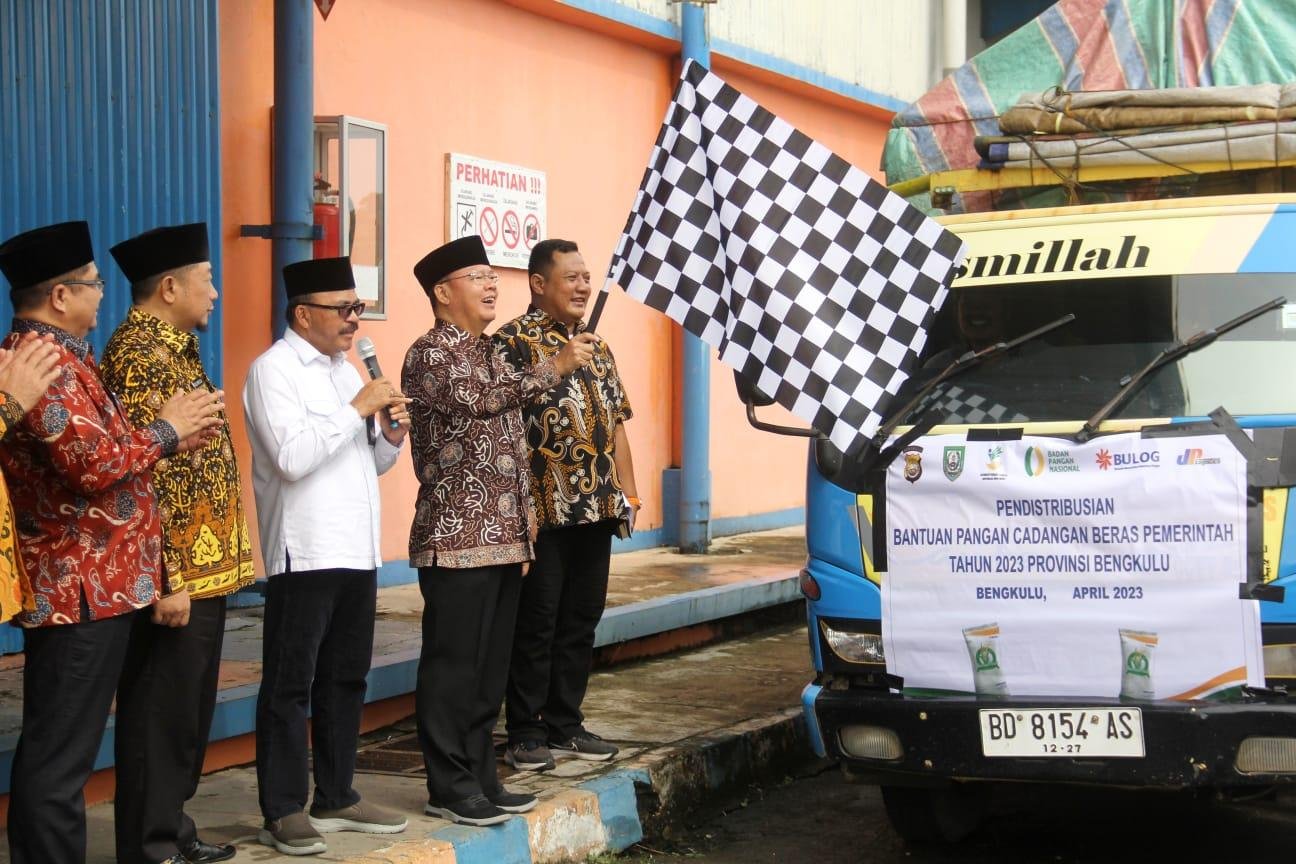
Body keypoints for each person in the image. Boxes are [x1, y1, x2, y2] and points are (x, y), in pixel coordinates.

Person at [0, 221, 224, 864]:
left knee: (67, 748)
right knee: (59, 755)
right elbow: (92, 467)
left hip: (105, 584)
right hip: (78, 589)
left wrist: (167, 437)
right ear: (61, 296)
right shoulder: (40, 363)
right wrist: (166, 431)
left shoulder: (65, 356)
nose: (104, 295)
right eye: (95, 285)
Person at [402, 235, 596, 826]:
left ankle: (481, 776)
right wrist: (555, 365)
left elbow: (513, 443)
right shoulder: (432, 353)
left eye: (493, 276)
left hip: (506, 537)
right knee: (453, 667)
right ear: (443, 292)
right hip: (456, 540)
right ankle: (448, 785)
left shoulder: (490, 350)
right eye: (477, 277)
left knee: (489, 672)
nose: (491, 285)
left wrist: (526, 530)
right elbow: (482, 402)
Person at [242, 256, 411, 856]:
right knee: (290, 684)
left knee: (346, 678)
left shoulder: (347, 372)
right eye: (343, 309)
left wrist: (389, 435)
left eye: (358, 307)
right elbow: (291, 457)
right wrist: (358, 409)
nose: (353, 319)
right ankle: (283, 808)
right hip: (305, 551)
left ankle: (337, 794)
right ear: (303, 313)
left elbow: (367, 461)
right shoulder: (273, 371)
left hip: (357, 549)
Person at [100, 223, 256, 864]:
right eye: (206, 280)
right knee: (160, 713)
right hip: (178, 576)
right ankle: (150, 843)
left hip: (207, 568)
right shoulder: (137, 356)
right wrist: (167, 577)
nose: (216, 293)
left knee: (186, 711)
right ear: (169, 287)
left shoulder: (175, 349)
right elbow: (145, 476)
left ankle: (173, 827)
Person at [495, 239, 638, 772]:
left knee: (582, 617)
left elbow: (616, 420)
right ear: (538, 284)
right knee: (538, 620)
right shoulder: (510, 342)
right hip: (543, 509)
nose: (583, 286)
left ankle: (566, 722)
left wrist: (630, 488)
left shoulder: (597, 345)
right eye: (571, 277)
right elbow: (502, 417)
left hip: (597, 508)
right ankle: (526, 731)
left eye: (586, 277)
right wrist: (558, 363)